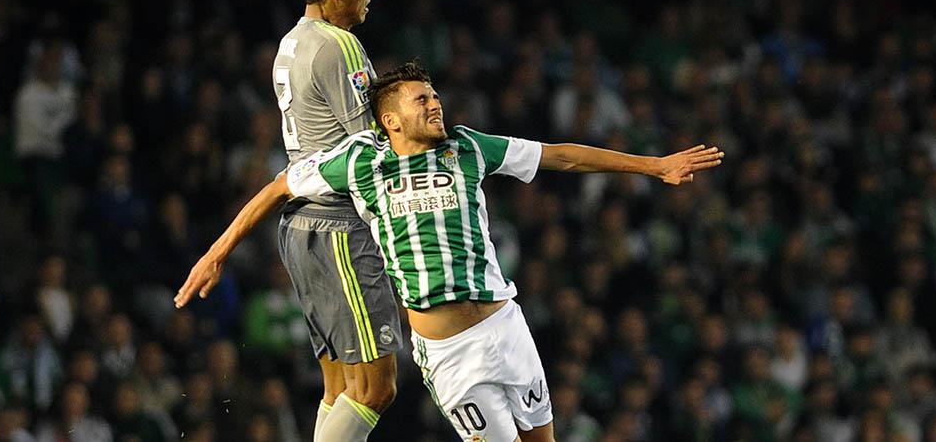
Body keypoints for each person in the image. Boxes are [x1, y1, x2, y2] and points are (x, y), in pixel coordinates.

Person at [175, 62, 724, 441]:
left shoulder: (467, 146)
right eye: (422, 99)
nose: (436, 103)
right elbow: (278, 187)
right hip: (451, 353)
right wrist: (217, 253)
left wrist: (655, 166)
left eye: (435, 95)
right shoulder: (361, 162)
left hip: (507, 326)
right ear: (390, 119)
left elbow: (560, 156)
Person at [245, 0, 402, 441]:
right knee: (376, 389)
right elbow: (372, 143)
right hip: (339, 228)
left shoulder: (290, 44)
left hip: (300, 227)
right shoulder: (341, 45)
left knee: (341, 388)